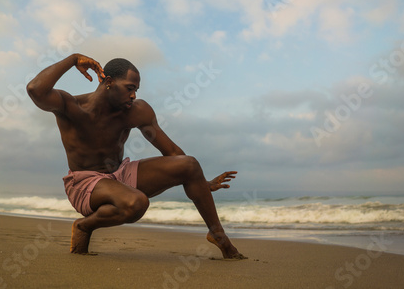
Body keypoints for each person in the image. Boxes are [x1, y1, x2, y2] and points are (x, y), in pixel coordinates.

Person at [26, 53, 246, 259]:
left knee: (189, 164)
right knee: (136, 203)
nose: (134, 95)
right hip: (84, 184)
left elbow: (171, 153)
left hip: (120, 175)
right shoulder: (72, 107)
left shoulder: (136, 110)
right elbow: (35, 89)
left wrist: (201, 182)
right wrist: (73, 59)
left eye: (136, 90)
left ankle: (218, 234)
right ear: (108, 81)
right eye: (130, 88)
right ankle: (84, 226)